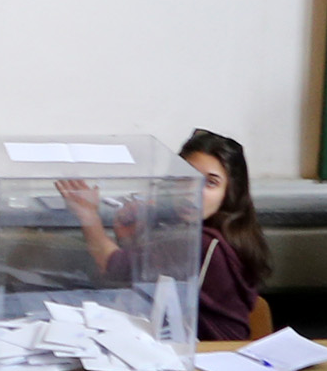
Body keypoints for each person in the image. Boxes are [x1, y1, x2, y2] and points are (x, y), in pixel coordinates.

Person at [59, 128, 271, 341]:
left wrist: (88, 215)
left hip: (210, 361)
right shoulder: (229, 234)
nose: (192, 190)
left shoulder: (203, 243)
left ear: (230, 192)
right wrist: (130, 240)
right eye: (186, 177)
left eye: (211, 182)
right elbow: (146, 281)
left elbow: (112, 266)